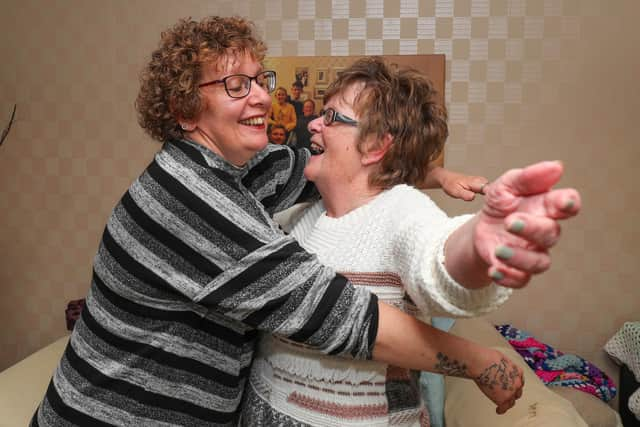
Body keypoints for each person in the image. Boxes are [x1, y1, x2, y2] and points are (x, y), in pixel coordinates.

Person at [29, 17, 577, 427]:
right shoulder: (191, 200)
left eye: (258, 79)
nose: (265, 97)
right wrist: (481, 361)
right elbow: (337, 316)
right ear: (183, 110)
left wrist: (438, 178)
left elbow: (419, 241)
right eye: (235, 86)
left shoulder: (240, 172)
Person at [241, 57, 582, 426]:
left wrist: (478, 245)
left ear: (374, 147)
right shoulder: (297, 215)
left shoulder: (401, 210)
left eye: (332, 117)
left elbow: (436, 259)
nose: (314, 125)